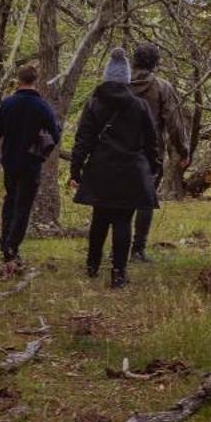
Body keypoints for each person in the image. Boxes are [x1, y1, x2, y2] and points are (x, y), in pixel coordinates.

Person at [69, 48, 160, 288]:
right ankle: (119, 273)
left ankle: (92, 264)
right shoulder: (140, 106)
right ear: (127, 79)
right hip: (131, 170)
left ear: (107, 77)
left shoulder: (94, 104)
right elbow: (152, 140)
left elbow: (83, 139)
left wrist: (75, 169)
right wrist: (153, 166)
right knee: (123, 221)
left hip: (101, 169)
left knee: (99, 218)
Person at [0, 62, 60, 266]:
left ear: (19, 80)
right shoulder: (42, 106)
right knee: (23, 206)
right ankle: (12, 247)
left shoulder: (7, 104)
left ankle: (5, 243)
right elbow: (55, 134)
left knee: (10, 201)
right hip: (31, 162)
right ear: (35, 80)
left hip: (9, 161)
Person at [126, 41, 191, 263]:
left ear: (134, 61)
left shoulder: (119, 84)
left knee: (122, 198)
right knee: (146, 198)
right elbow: (174, 123)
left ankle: (121, 247)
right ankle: (137, 249)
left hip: (118, 149)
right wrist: (183, 150)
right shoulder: (163, 87)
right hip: (150, 151)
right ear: (155, 63)